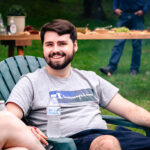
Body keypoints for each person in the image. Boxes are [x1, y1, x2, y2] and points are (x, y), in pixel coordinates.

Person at [5, 19, 150, 150]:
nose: (55, 50)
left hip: (110, 136)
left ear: (74, 46)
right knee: (107, 143)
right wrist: (26, 129)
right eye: (49, 44)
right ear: (43, 47)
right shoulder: (30, 82)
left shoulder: (90, 78)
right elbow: (8, 119)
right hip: (70, 143)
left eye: (62, 44)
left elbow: (131, 111)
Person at [100, 0, 150, 76]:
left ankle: (134, 69)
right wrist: (115, 8)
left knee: (137, 44)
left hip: (138, 15)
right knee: (118, 43)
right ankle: (111, 67)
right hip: (123, 15)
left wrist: (144, 10)